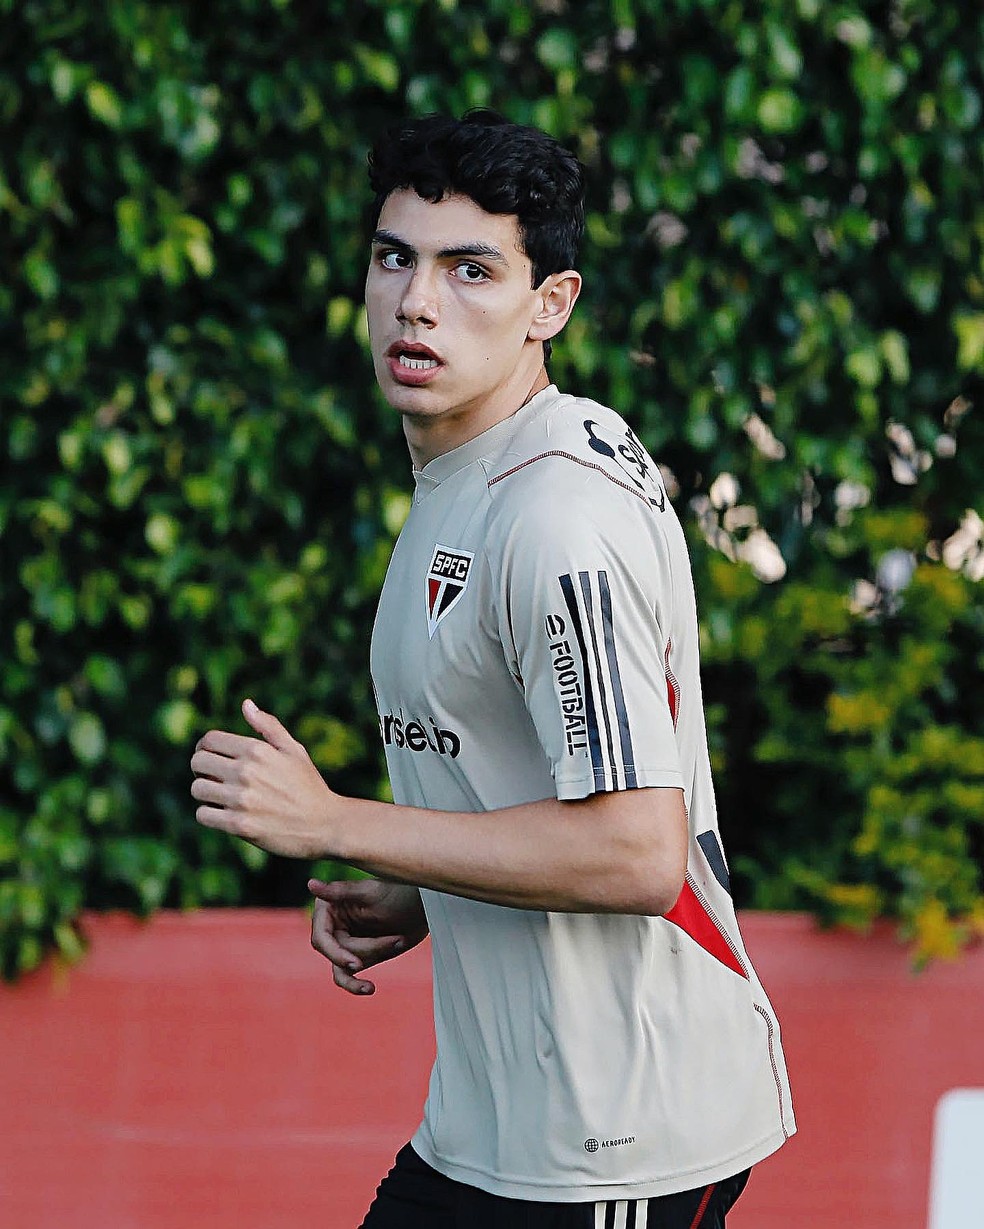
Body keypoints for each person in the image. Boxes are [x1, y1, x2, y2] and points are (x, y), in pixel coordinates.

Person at [191, 110, 795, 1228]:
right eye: (395, 258)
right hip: (490, 1131)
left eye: (471, 270)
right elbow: (522, 769)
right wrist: (423, 888)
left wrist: (336, 821)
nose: (418, 302)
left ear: (549, 305)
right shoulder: (469, 467)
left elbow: (635, 849)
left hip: (618, 1141)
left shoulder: (556, 514)